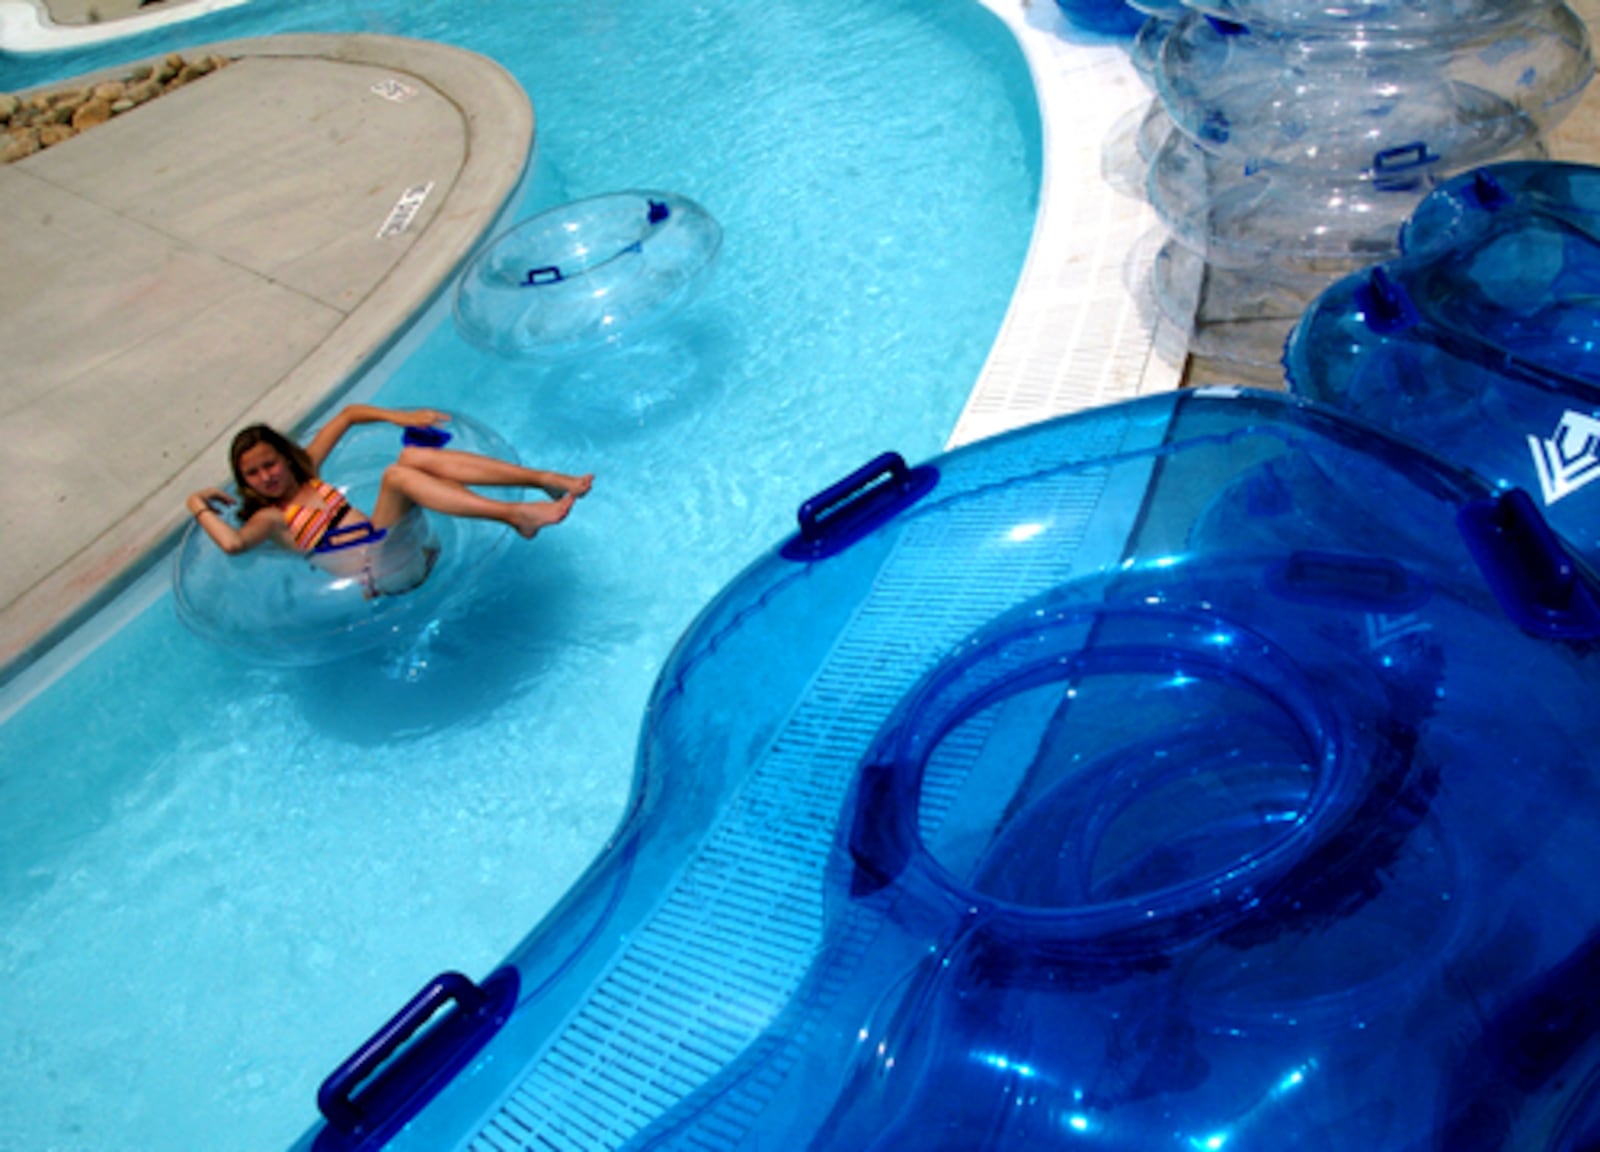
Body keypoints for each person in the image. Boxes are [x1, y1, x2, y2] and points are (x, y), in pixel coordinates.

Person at [186, 404, 592, 597]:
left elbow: (347, 415)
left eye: (270, 464)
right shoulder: (272, 518)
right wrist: (196, 504)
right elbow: (234, 545)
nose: (266, 477)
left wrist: (399, 419)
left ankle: (545, 479)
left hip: (408, 548)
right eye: (253, 474)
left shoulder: (307, 469)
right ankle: (514, 515)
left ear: (284, 456)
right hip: (380, 572)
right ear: (244, 481)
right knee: (396, 476)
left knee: (413, 457)